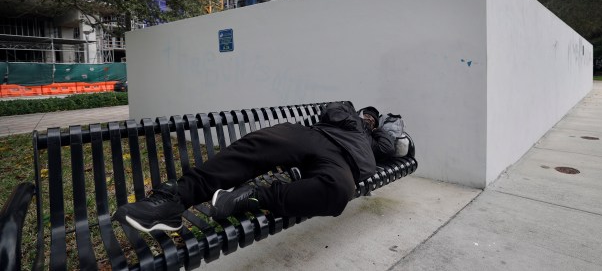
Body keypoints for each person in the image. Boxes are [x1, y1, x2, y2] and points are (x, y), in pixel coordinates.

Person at [112, 102, 395, 233]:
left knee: (338, 192)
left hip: (345, 163)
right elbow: (330, 111)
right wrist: (354, 117)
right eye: (367, 114)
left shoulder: (373, 139)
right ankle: (173, 201)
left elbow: (387, 150)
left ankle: (251, 198)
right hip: (317, 137)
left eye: (373, 117)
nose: (369, 118)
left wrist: (377, 127)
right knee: (265, 140)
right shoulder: (347, 110)